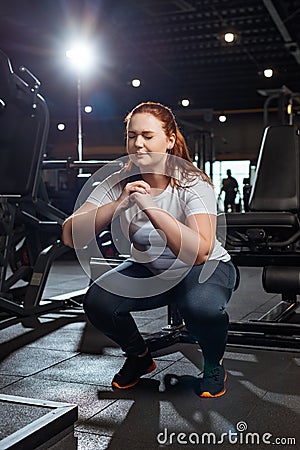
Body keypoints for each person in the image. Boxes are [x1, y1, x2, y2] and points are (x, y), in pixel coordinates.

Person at [62, 101, 236, 398]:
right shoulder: (116, 182)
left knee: (200, 307)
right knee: (98, 301)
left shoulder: (193, 183)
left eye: (147, 135)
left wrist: (150, 207)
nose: (138, 143)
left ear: (169, 141)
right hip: (152, 270)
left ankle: (212, 363)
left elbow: (201, 251)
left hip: (204, 269)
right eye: (132, 136)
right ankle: (140, 357)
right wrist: (119, 204)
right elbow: (69, 234)